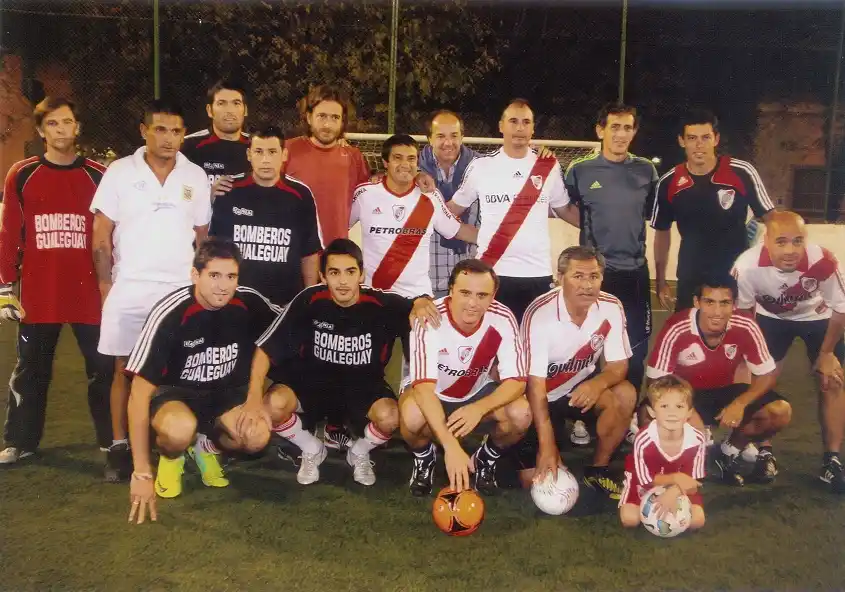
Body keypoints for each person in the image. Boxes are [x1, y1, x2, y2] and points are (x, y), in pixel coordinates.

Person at [244, 239, 440, 486]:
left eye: (350, 272)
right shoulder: (310, 299)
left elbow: (416, 306)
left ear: (362, 274)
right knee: (271, 406)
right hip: (312, 384)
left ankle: (358, 452)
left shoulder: (382, 304)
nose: (343, 281)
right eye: (334, 273)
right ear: (323, 276)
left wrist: (421, 301)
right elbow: (265, 349)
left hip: (362, 387)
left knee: (391, 417)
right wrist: (253, 398)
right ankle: (311, 448)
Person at [90, 98, 212, 481]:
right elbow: (100, 236)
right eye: (160, 129)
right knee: (123, 370)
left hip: (178, 292)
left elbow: (203, 238)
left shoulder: (195, 176)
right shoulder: (119, 172)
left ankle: (180, 443)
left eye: (176, 131)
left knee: (181, 370)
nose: (169, 138)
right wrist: (106, 287)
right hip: (130, 287)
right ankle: (119, 446)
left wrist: (201, 287)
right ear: (144, 131)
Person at [124, 238, 279, 525]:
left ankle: (207, 446)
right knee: (179, 430)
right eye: (214, 275)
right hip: (175, 396)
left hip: (224, 395)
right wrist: (141, 471)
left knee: (257, 436)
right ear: (195, 275)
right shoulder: (171, 313)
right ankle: (172, 457)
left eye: (231, 276)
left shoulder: (248, 301)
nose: (223, 286)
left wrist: (256, 396)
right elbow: (138, 395)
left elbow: (279, 334)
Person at [0, 98, 114, 478]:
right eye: (53, 123)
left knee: (102, 369)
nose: (62, 130)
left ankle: (111, 440)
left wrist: (112, 283)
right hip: (40, 293)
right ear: (41, 130)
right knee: (31, 369)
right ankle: (20, 441)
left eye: (67, 122)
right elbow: (10, 233)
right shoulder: (22, 174)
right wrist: (4, 286)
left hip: (89, 295)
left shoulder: (99, 176)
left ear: (77, 127)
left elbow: (111, 235)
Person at [732, 210, 845, 492]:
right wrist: (751, 358)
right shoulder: (746, 266)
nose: (791, 250)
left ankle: (832, 461)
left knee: (832, 380)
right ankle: (764, 452)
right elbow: (744, 316)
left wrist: (827, 354)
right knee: (762, 380)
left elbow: (841, 309)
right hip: (770, 319)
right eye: (781, 242)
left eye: (797, 241)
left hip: (818, 318)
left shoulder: (823, 261)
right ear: (766, 241)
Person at [646, 275, 792, 486]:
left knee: (779, 412)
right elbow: (655, 383)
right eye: (709, 302)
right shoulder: (677, 327)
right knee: (648, 418)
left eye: (724, 303)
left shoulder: (745, 325)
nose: (717, 312)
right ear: (697, 302)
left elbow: (766, 375)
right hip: (684, 395)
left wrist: (740, 403)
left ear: (734, 304)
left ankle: (727, 452)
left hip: (724, 391)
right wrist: (687, 412)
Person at [401, 259, 529, 495]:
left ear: (493, 296)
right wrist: (450, 446)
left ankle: (484, 459)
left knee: (521, 414)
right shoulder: (429, 317)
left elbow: (517, 381)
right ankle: (425, 457)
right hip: (434, 393)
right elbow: (423, 390)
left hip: (476, 393)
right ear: (451, 291)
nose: (472, 303)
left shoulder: (503, 316)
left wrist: (479, 408)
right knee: (411, 415)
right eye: (465, 293)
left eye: (482, 295)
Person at [519, 246, 637, 499]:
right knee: (531, 479)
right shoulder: (540, 313)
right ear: (560, 278)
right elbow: (534, 385)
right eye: (578, 276)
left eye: (594, 276)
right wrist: (547, 446)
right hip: (538, 398)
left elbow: (619, 365)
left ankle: (598, 469)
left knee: (625, 394)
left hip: (577, 391)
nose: (587, 285)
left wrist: (597, 384)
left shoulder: (611, 306)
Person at [562, 103, 657, 395]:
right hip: (594, 274)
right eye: (614, 127)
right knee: (586, 344)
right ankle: (583, 409)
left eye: (627, 128)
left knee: (635, 346)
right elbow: (563, 206)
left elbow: (650, 213)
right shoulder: (580, 170)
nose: (621, 134)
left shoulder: (646, 170)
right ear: (600, 130)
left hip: (634, 272)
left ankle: (628, 409)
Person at [448, 98, 571, 321]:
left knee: (534, 340)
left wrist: (602, 224)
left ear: (533, 129)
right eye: (513, 121)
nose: (520, 128)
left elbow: (565, 210)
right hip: (493, 272)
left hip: (538, 273)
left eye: (526, 122)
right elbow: (452, 209)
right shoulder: (481, 166)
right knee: (493, 341)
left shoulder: (548, 165)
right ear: (501, 126)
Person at [651, 109, 776, 312]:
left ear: (716, 139)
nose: (699, 145)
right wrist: (660, 280)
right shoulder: (669, 182)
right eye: (692, 138)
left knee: (738, 331)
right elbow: (662, 233)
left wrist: (772, 269)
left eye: (705, 137)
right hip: (691, 276)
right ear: (682, 141)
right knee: (689, 330)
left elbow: (773, 220)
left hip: (737, 276)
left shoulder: (741, 172)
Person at [351, 134, 477, 297]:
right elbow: (338, 226)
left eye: (411, 159)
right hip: (374, 295)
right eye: (397, 158)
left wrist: (502, 238)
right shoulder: (364, 194)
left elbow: (457, 230)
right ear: (385, 162)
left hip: (418, 298)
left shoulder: (430, 196)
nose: (405, 164)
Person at [209, 124, 321, 307]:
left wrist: (308, 300)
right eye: (259, 152)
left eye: (272, 152)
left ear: (284, 155)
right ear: (249, 154)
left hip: (285, 302)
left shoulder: (301, 195)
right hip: (237, 300)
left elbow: (309, 253)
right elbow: (214, 249)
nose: (266, 160)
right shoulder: (229, 190)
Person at [285, 85, 371, 247]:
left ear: (342, 121)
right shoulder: (287, 150)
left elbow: (369, 198)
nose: (327, 125)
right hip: (294, 248)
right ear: (309, 117)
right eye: (322, 116)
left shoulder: (354, 157)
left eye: (335, 117)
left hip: (335, 251)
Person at [619, 375, 706, 531]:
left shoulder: (697, 439)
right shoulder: (644, 439)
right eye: (664, 406)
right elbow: (645, 480)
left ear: (689, 413)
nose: (672, 413)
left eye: (679, 406)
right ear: (652, 412)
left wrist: (674, 492)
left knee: (697, 521)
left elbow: (694, 483)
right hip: (644, 481)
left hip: (680, 486)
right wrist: (675, 478)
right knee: (630, 519)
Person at [417, 110, 481, 298]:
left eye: (454, 135)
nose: (448, 143)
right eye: (440, 136)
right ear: (429, 139)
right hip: (424, 281)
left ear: (462, 136)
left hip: (470, 279)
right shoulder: (411, 168)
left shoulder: (482, 168)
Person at [182, 79, 251, 196]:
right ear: (209, 110)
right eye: (221, 103)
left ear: (245, 110)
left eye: (236, 103)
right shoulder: (188, 146)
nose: (229, 111)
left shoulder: (258, 147)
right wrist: (208, 197)